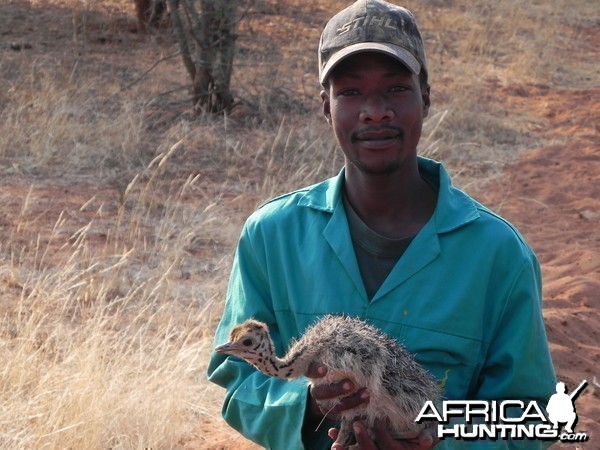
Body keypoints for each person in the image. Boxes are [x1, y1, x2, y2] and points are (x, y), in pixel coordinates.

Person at [207, 0, 556, 448]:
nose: (375, 111)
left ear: (425, 97)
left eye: (395, 89)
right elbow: (236, 382)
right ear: (326, 107)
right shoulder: (272, 236)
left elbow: (532, 415)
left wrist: (438, 445)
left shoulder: (498, 254)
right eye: (350, 92)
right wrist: (309, 407)